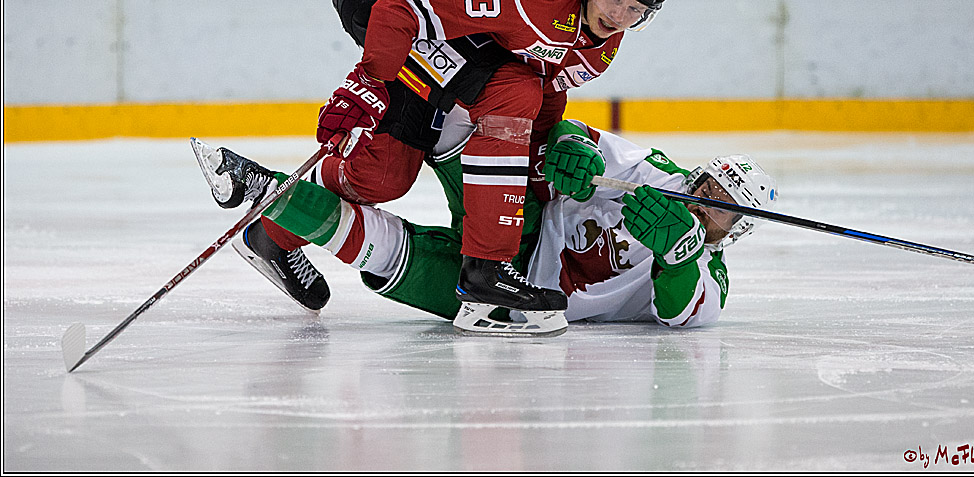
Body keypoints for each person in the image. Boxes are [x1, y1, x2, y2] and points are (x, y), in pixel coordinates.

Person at [217, 0, 679, 331]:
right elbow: (402, 9)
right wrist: (367, 83)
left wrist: (544, 161)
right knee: (514, 91)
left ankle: (272, 230)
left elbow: (548, 88)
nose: (618, 15)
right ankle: (485, 269)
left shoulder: (603, 45)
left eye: (636, 9)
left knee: (383, 177)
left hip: (449, 44)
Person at [192, 112, 778, 335]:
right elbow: (579, 135)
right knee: (476, 128)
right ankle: (423, 100)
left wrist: (678, 256)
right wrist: (571, 152)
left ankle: (264, 193)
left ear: (736, 230)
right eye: (709, 186)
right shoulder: (654, 172)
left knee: (383, 249)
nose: (705, 202)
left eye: (723, 206)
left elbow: (685, 314)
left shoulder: (711, 273)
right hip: (520, 224)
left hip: (513, 303)